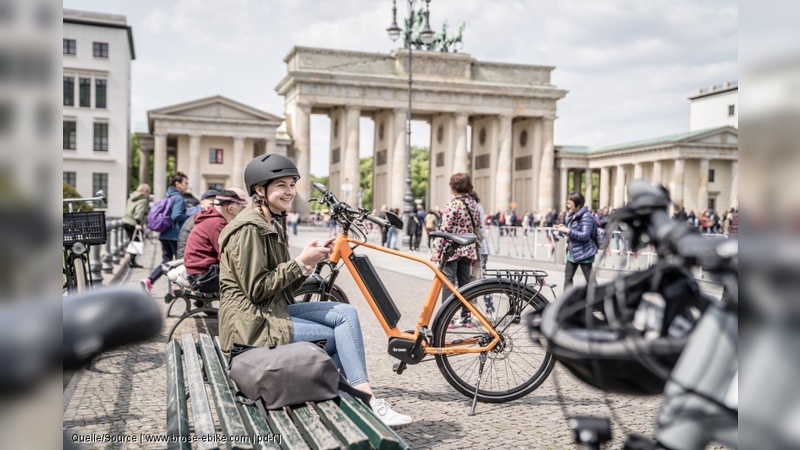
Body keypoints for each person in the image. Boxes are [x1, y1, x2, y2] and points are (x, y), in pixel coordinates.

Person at [217, 154, 412, 429]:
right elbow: (257, 289)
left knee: (345, 313)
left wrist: (311, 262)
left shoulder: (271, 222)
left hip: (270, 310)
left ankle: (357, 398)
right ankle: (362, 401)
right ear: (260, 190)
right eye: (281, 185)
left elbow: (282, 286)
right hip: (251, 325)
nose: (289, 192)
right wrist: (300, 262)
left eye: (292, 184)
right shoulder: (249, 229)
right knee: (334, 337)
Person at [431, 173, 483, 328]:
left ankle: (449, 319)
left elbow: (444, 230)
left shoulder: (453, 205)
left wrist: (436, 250)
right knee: (465, 285)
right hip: (467, 249)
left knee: (448, 284)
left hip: (451, 250)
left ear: (453, 187)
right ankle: (466, 318)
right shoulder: (473, 204)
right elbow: (478, 227)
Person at [184, 190, 248, 293]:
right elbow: (226, 256)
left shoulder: (212, 219)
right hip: (205, 277)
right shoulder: (217, 223)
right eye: (240, 209)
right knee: (248, 284)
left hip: (199, 273)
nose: (240, 213)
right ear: (230, 208)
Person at [142, 172, 190, 294]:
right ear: (177, 184)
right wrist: (190, 213)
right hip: (175, 235)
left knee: (166, 262)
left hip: (164, 234)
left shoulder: (168, 196)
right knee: (182, 262)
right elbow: (176, 215)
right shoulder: (178, 198)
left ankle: (150, 280)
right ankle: (179, 289)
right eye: (185, 183)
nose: (187, 186)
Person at [554, 192, 599, 292]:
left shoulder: (587, 216)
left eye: (570, 203)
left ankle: (599, 300)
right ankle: (566, 302)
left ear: (578, 204)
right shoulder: (572, 215)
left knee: (591, 281)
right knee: (568, 278)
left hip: (584, 253)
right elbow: (572, 233)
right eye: (567, 203)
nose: (568, 205)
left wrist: (567, 230)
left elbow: (585, 235)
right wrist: (563, 229)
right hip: (572, 252)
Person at [177, 189, 219, 259]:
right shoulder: (195, 220)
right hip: (191, 262)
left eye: (217, 204)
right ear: (202, 204)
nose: (214, 208)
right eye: (211, 204)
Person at [121, 183, 151, 268]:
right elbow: (139, 212)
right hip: (134, 223)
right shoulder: (143, 200)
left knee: (132, 241)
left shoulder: (131, 197)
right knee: (136, 241)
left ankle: (132, 260)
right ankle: (132, 261)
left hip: (126, 221)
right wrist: (138, 223)